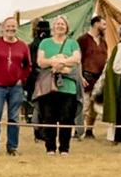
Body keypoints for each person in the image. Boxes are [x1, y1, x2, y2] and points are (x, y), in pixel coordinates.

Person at [0, 14, 34, 156]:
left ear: (17, 28)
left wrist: (22, 78)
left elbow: (28, 65)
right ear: (3, 28)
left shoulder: (22, 46)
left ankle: (12, 147)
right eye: (8, 26)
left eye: (13, 27)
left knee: (13, 118)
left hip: (15, 87)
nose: (11, 29)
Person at [31, 13, 83, 155]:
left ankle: (64, 148)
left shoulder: (72, 43)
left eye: (63, 24)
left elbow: (77, 58)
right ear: (53, 27)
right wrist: (54, 62)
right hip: (49, 85)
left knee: (67, 117)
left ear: (67, 27)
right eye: (57, 24)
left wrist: (61, 62)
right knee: (49, 117)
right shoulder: (45, 43)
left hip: (68, 85)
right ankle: (50, 148)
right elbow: (40, 61)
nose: (60, 26)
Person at [75, 16, 111, 139]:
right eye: (103, 24)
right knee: (84, 105)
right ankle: (78, 131)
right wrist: (80, 77)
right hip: (86, 76)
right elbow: (78, 60)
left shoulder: (103, 42)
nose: (105, 27)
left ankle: (89, 131)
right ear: (95, 24)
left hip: (99, 78)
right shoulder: (83, 40)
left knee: (94, 107)